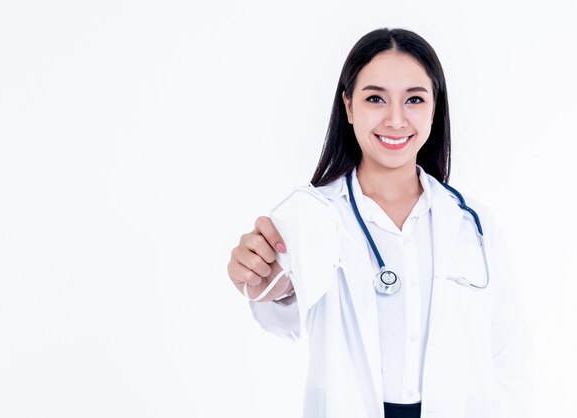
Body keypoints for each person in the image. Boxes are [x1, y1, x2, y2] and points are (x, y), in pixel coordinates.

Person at [227, 28, 532, 418]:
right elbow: (284, 311)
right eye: (375, 98)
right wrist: (259, 279)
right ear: (349, 107)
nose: (395, 118)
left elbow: (508, 353)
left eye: (414, 100)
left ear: (435, 109)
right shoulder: (313, 215)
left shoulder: (473, 224)